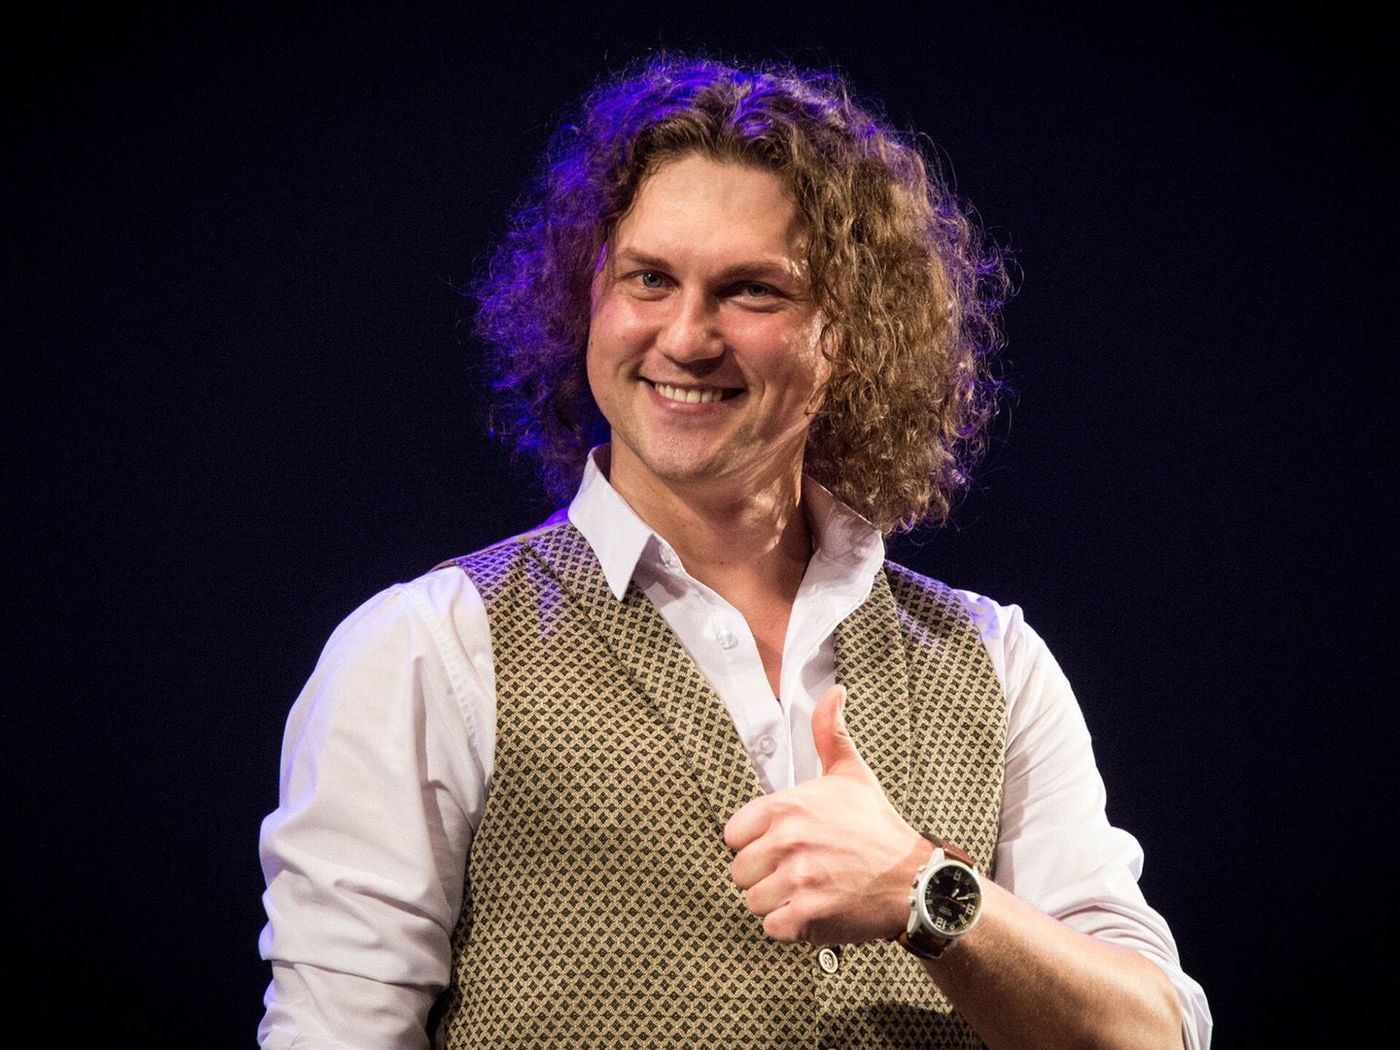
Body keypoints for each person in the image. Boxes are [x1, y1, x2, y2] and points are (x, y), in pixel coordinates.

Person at [258, 55, 1211, 1049]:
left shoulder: (993, 661)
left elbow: (1152, 1033)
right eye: (649, 279)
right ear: (587, 301)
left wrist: (923, 888)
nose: (686, 337)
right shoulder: (427, 650)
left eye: (750, 291)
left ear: (850, 333)